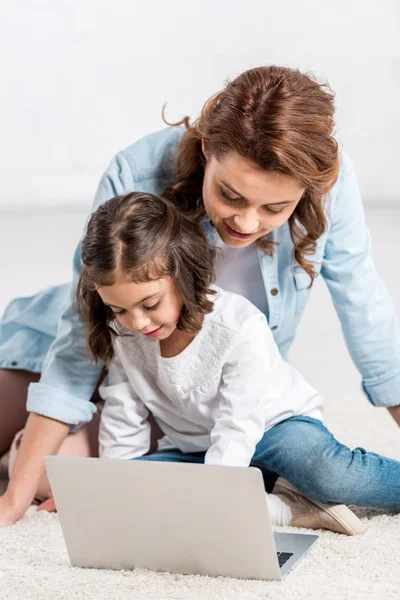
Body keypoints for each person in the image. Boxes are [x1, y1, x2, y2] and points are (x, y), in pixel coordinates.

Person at [1, 65, 399, 527]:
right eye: (230, 195)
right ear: (208, 147)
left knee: (60, 477)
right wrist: (14, 501)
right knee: (64, 471)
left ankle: (271, 498)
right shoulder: (137, 176)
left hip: (197, 401)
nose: (246, 224)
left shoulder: (323, 183)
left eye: (274, 208)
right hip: (86, 354)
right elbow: (80, 341)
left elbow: (364, 306)